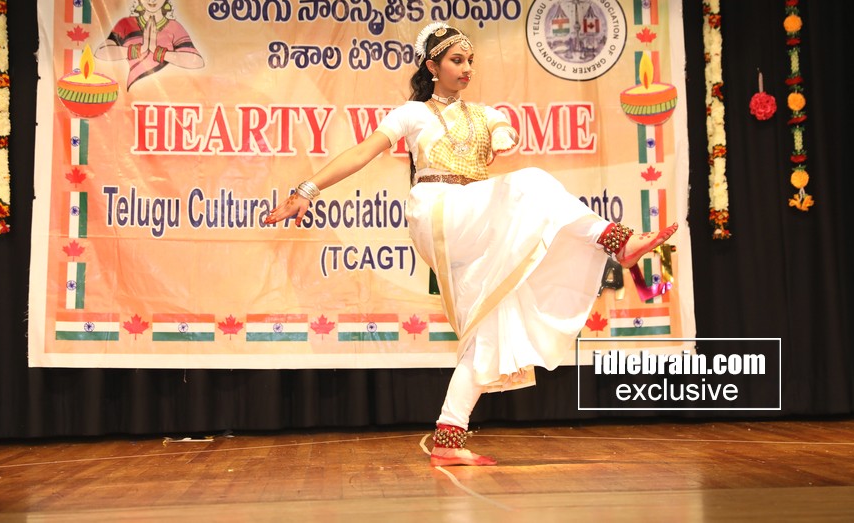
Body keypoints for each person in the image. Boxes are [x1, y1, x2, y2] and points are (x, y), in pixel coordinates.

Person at [266, 23, 677, 467]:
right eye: (456, 60)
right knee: (533, 182)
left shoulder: (484, 113)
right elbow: (362, 152)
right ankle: (618, 242)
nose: (467, 68)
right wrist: (306, 190)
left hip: (476, 221)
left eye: (470, 61)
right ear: (433, 66)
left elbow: (503, 131)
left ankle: (448, 438)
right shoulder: (412, 113)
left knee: (487, 330)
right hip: (438, 210)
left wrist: (502, 134)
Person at [96, 0, 204, 89]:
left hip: (168, 91)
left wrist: (157, 51)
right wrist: (139, 49)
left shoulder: (174, 27)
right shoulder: (125, 24)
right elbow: (101, 52)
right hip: (133, 92)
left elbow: (196, 61)